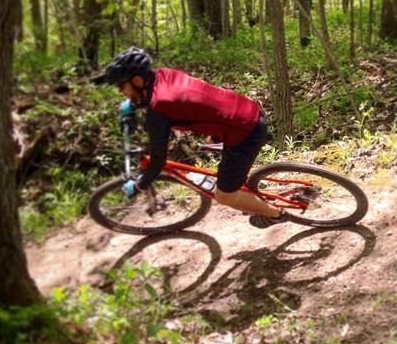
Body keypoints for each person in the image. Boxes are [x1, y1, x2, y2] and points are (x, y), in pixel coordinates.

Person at [92, 46, 290, 228]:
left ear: (137, 81)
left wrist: (139, 184)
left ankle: (276, 214)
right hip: (244, 109)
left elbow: (158, 160)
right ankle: (246, 185)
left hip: (245, 130)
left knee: (224, 196)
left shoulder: (158, 110)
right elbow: (171, 99)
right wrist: (133, 105)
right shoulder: (163, 75)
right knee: (212, 145)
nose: (122, 93)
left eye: (121, 87)